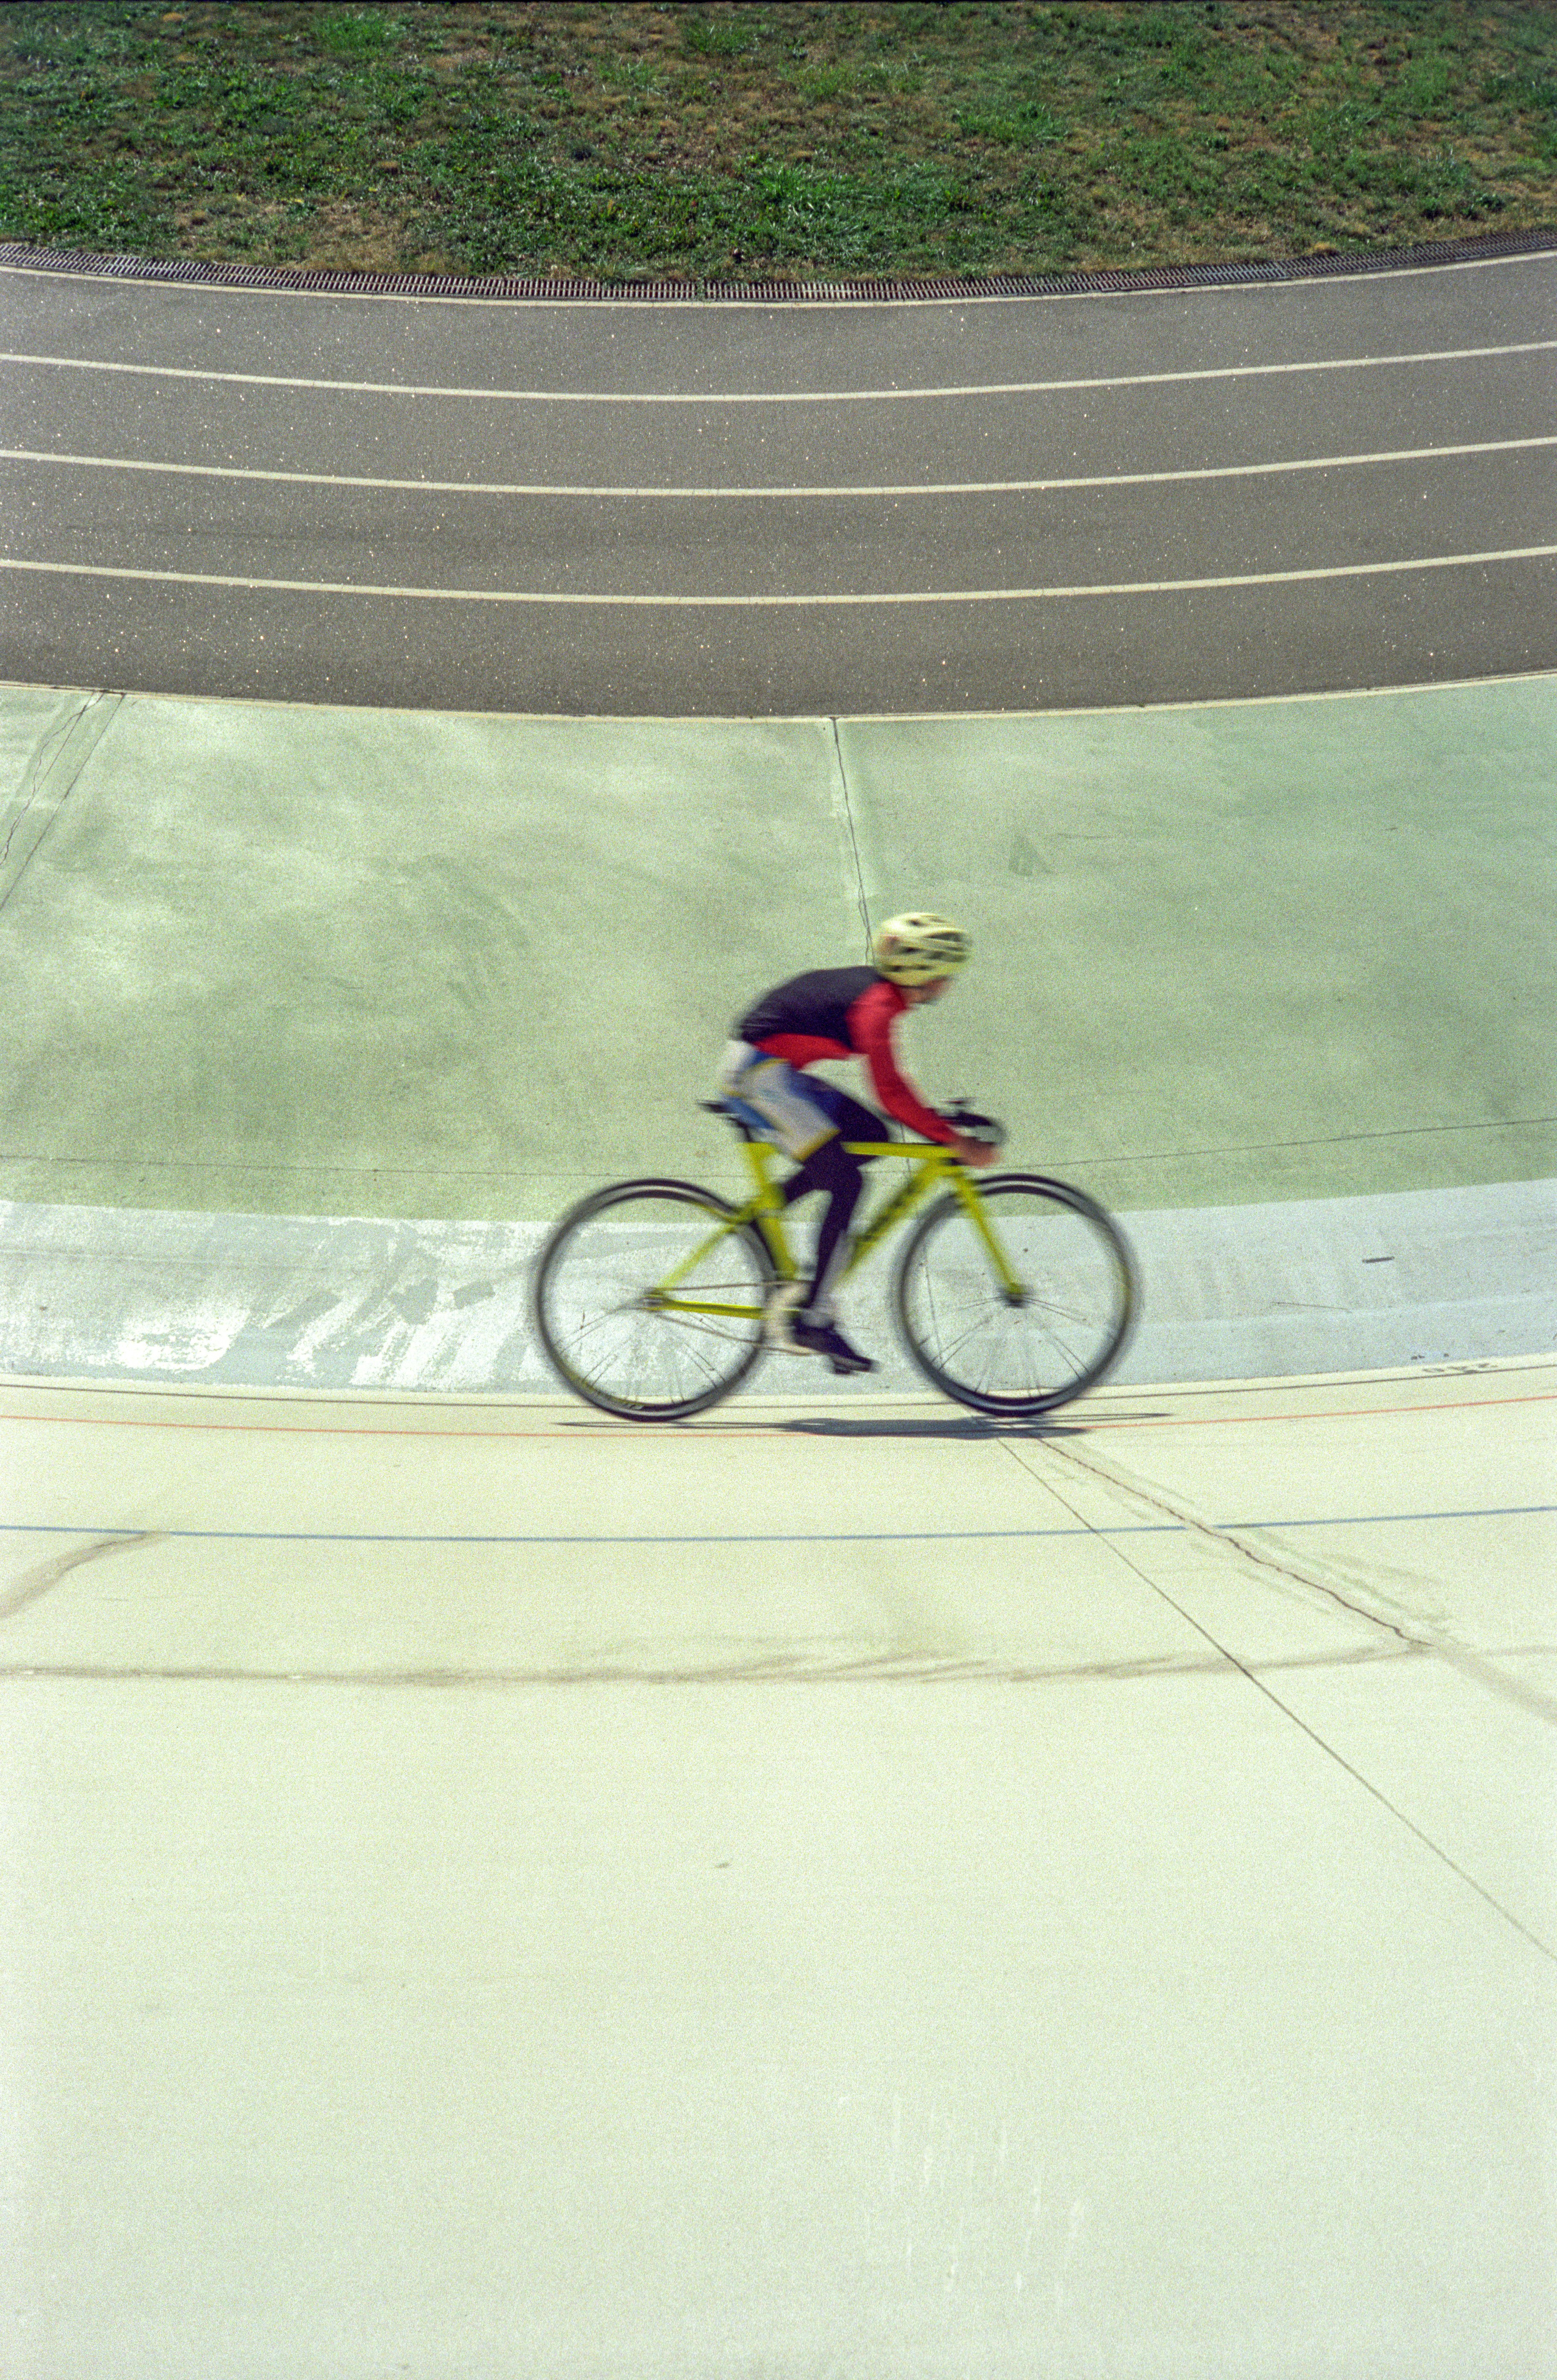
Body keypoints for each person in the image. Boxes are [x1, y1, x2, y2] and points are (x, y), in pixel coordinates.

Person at [717, 912, 997, 1375]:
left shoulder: (880, 996)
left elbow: (890, 1102)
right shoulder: (877, 1006)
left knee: (869, 1135)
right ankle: (814, 1318)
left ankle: (768, 1212)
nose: (949, 984)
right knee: (846, 1186)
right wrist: (952, 1140)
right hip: (757, 1079)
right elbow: (890, 1091)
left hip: (773, 1071)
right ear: (923, 974)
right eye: (947, 975)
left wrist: (934, 1125)